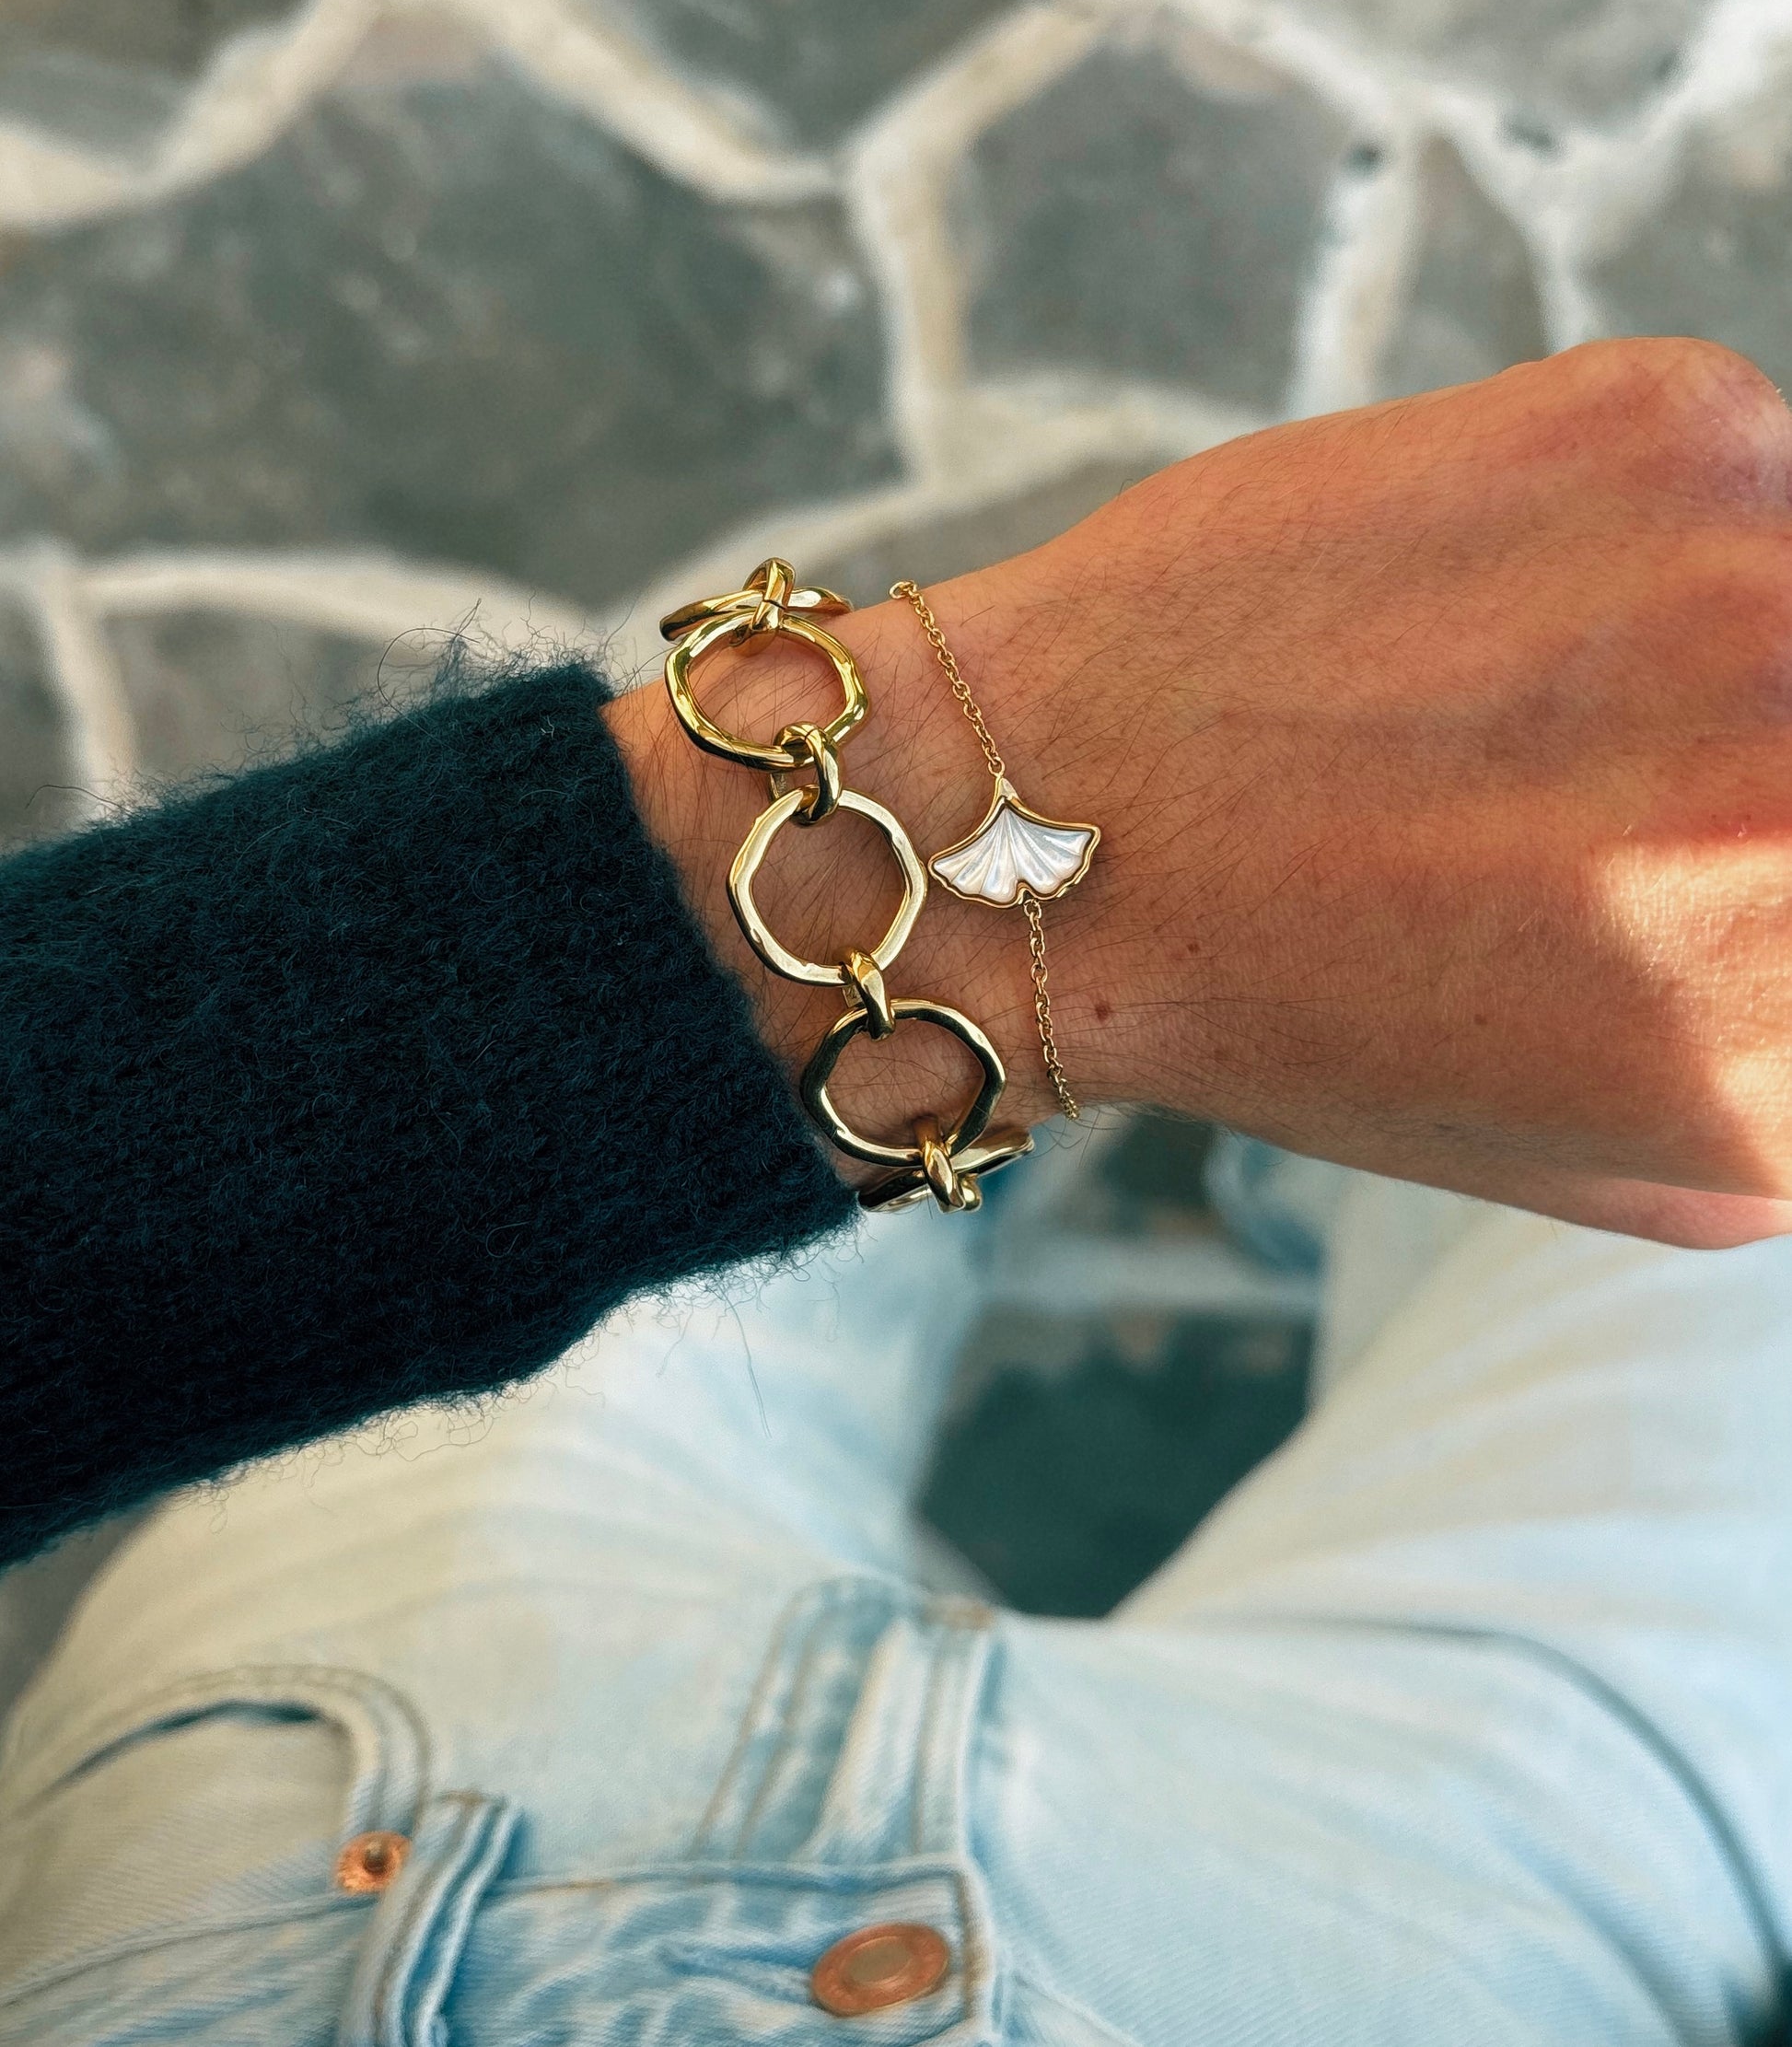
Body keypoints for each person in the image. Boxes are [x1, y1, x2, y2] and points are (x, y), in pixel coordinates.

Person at [4, 335, 1792, 2041]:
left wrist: (766, 844)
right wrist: (950, 808)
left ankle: (1240, 1020)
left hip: (319, 1833)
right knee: (1705, 1136)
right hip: (1376, 1950)